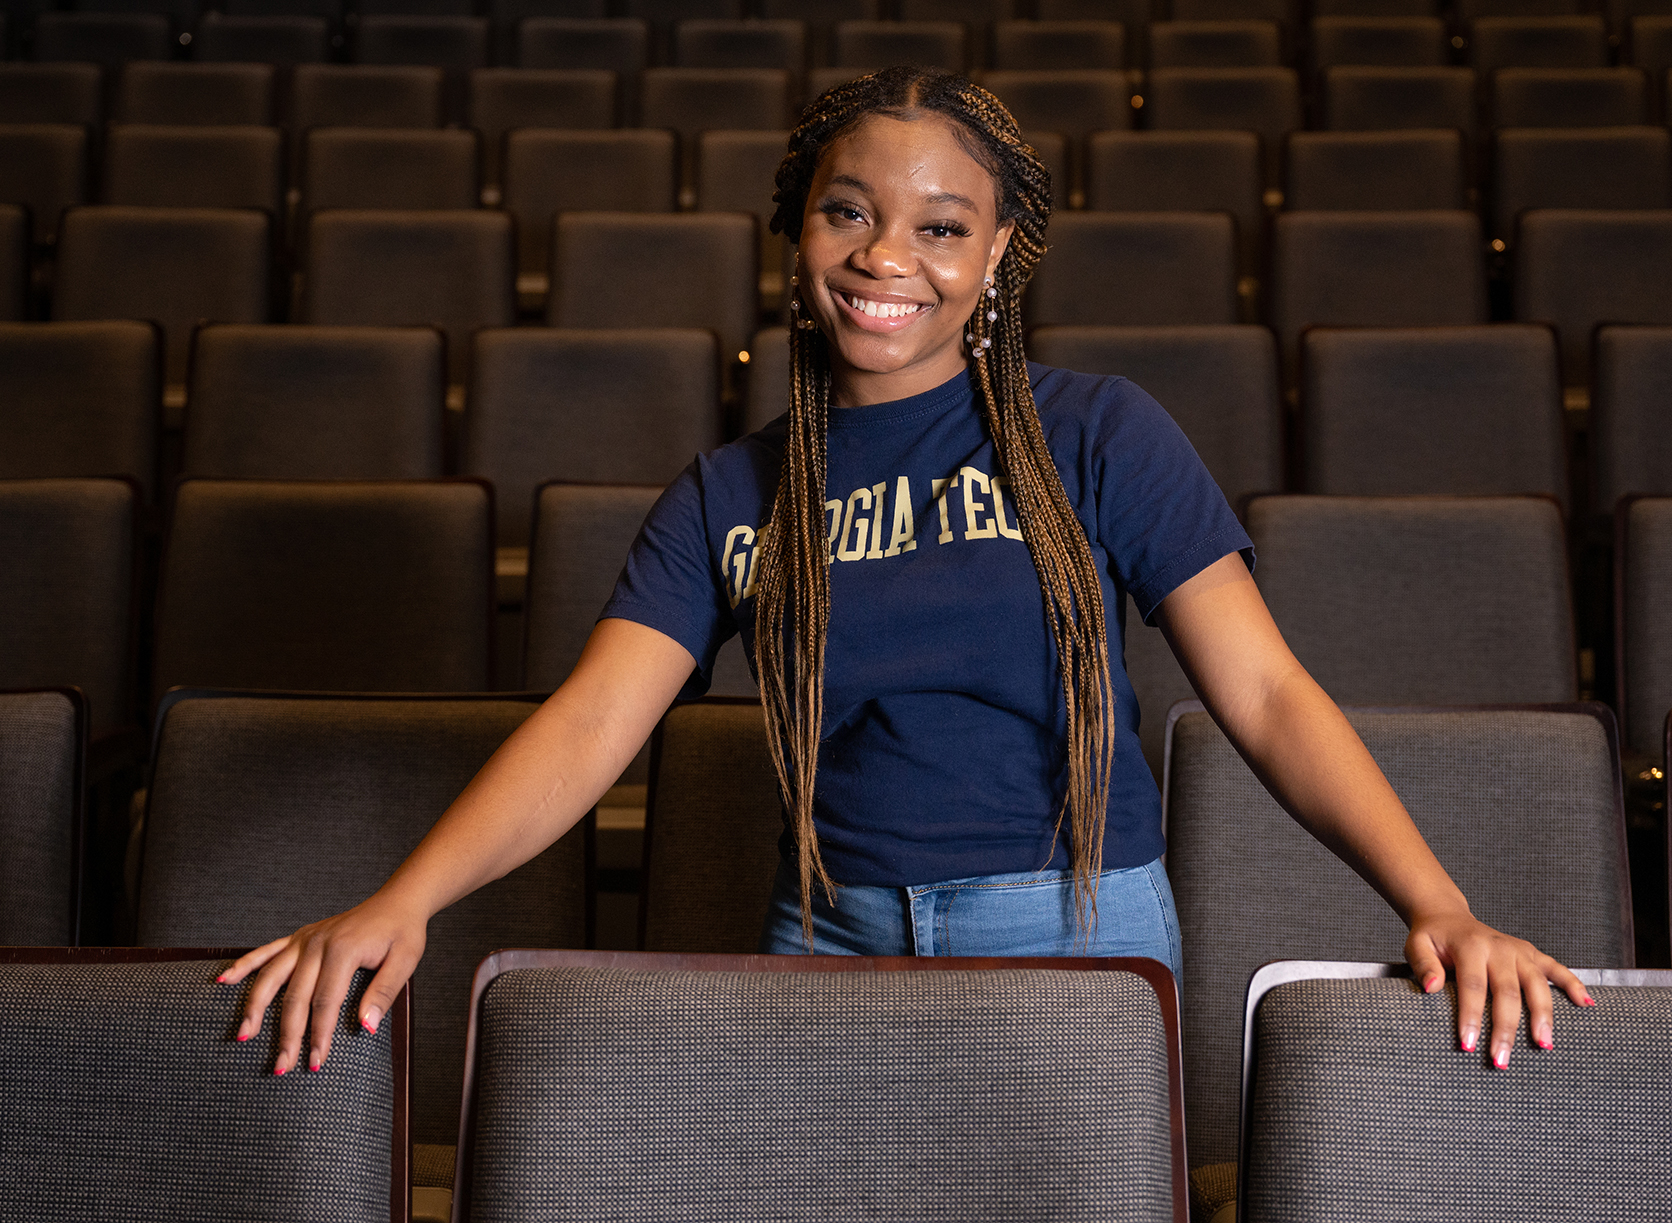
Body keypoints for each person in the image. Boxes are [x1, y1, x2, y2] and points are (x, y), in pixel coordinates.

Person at [221, 67, 1592, 1077]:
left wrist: (1439, 906)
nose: (888, 257)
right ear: (799, 232)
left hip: (1070, 938)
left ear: (997, 258)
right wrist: (401, 901)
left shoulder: (1098, 432)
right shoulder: (729, 494)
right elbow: (589, 727)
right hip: (821, 937)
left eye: (943, 226)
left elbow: (1272, 698)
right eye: (849, 213)